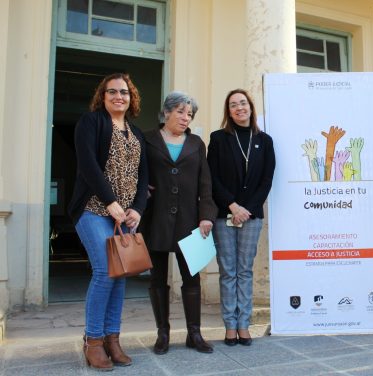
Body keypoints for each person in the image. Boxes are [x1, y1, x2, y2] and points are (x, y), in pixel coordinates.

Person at [67, 73, 148, 371]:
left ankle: (113, 340)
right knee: (105, 271)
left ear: (131, 97)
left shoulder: (136, 133)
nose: (118, 96)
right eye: (111, 91)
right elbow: (88, 164)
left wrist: (137, 209)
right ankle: (94, 341)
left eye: (124, 92)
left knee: (121, 274)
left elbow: (144, 176)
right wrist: (111, 202)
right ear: (102, 96)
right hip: (92, 209)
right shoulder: (90, 123)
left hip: (125, 217)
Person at [142, 92, 218, 354]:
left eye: (190, 114)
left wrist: (207, 214)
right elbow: (138, 173)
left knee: (191, 278)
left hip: (190, 220)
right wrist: (142, 192)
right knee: (157, 279)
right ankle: (163, 334)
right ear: (166, 113)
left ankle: (194, 334)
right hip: (155, 219)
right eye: (181, 112)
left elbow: (205, 182)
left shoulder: (196, 143)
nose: (186, 118)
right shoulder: (147, 139)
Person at [207, 89, 275, 346]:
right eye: (233, 105)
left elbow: (267, 180)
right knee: (228, 271)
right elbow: (212, 178)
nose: (239, 108)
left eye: (243, 103)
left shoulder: (265, 141)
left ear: (250, 107)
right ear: (229, 111)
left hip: (252, 216)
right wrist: (233, 206)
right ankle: (230, 326)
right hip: (224, 214)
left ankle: (244, 325)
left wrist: (247, 209)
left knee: (244, 270)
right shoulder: (218, 139)